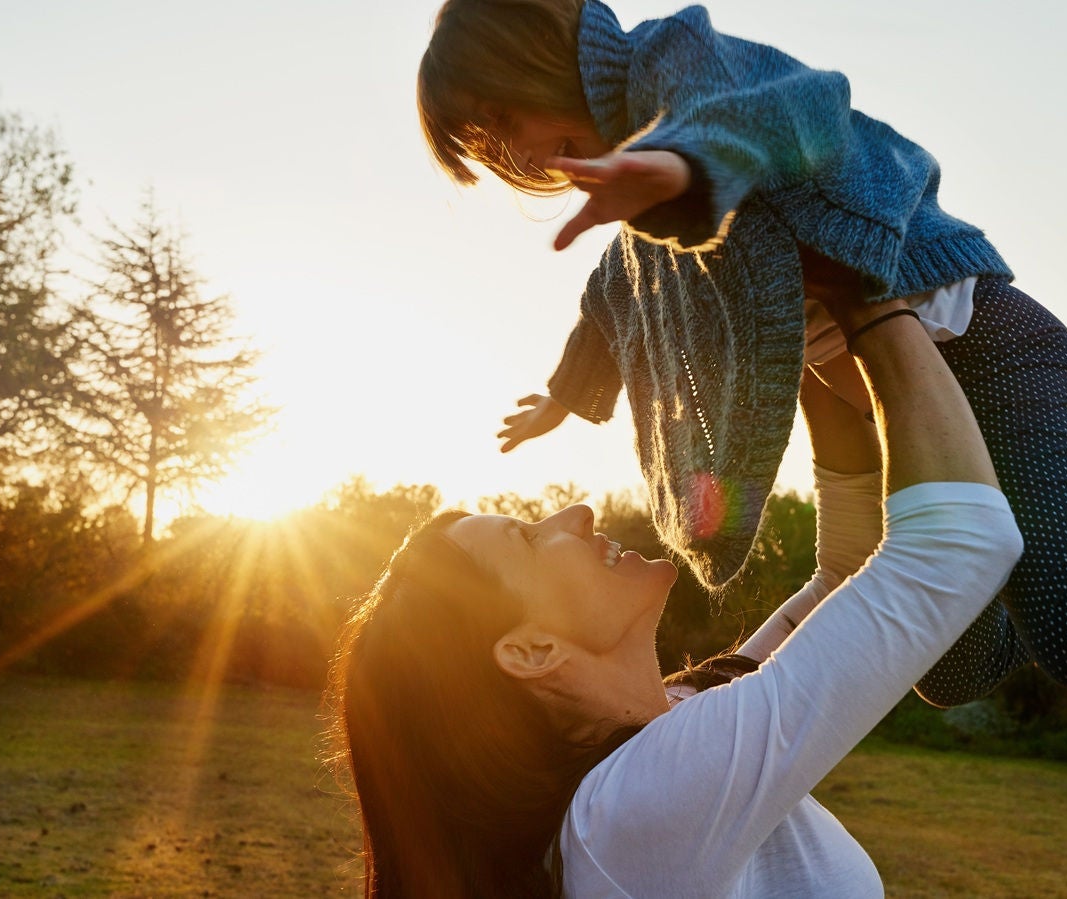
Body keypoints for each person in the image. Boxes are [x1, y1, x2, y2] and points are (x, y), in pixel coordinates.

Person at [417, 0, 1067, 706]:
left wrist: (687, 167)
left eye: (498, 118)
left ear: (536, 51)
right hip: (907, 407)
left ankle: (1053, 593)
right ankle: (1033, 582)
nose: (512, 151)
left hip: (990, 351)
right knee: (947, 671)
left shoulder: (674, 60)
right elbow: (614, 296)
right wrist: (566, 393)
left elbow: (794, 109)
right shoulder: (641, 222)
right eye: (489, 147)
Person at [330, 287, 1023, 898]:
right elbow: (957, 547)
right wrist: (870, 305)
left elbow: (844, 577)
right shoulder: (638, 806)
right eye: (532, 539)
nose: (575, 514)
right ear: (531, 649)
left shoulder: (669, 727)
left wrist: (801, 345)